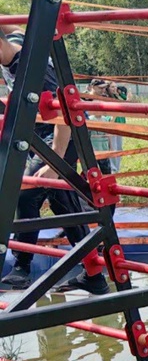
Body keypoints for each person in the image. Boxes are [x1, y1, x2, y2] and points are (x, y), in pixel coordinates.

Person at [0, 32, 108, 295]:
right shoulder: (13, 45)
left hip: (63, 136)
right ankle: (93, 274)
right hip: (42, 137)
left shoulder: (31, 64)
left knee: (26, 192)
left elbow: (62, 110)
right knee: (64, 205)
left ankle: (22, 269)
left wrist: (56, 161)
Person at [86, 79, 116, 175]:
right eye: (100, 88)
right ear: (92, 87)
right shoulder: (84, 99)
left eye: (104, 88)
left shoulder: (103, 98)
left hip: (102, 143)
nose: (103, 90)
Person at [104, 81, 127, 174]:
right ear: (108, 88)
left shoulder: (116, 97)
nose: (114, 89)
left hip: (120, 124)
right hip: (112, 124)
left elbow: (125, 100)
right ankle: (113, 169)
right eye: (112, 87)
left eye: (115, 87)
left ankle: (117, 168)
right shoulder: (106, 98)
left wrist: (120, 92)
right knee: (113, 147)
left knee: (119, 148)